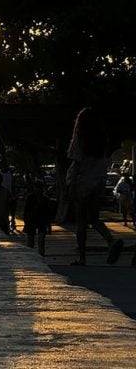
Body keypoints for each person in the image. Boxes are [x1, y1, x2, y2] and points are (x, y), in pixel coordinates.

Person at [67, 108, 123, 265]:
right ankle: (111, 241)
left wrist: (71, 185)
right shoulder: (102, 140)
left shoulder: (80, 139)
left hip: (82, 182)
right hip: (97, 183)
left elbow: (76, 163)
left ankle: (82, 257)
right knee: (94, 218)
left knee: (81, 222)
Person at [23, 180, 53, 256]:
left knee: (40, 240)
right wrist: (26, 221)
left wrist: (49, 225)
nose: (38, 190)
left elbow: (48, 213)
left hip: (41, 221)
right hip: (32, 220)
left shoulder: (45, 199)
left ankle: (39, 255)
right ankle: (32, 256)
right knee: (31, 241)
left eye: (39, 188)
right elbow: (26, 211)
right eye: (37, 187)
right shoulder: (31, 198)